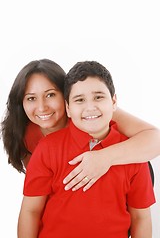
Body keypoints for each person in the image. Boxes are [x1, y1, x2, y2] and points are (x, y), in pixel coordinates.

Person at [18, 61, 155, 238]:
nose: (90, 107)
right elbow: (32, 210)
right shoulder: (45, 147)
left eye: (98, 97)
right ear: (69, 107)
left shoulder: (134, 157)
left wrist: (104, 157)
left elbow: (141, 218)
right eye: (80, 100)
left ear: (114, 102)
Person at [1, 59, 160, 192]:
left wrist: (105, 158)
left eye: (50, 95)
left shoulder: (89, 111)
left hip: (127, 177)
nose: (42, 107)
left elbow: (155, 139)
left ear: (67, 95)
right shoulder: (24, 134)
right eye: (31, 98)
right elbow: (44, 192)